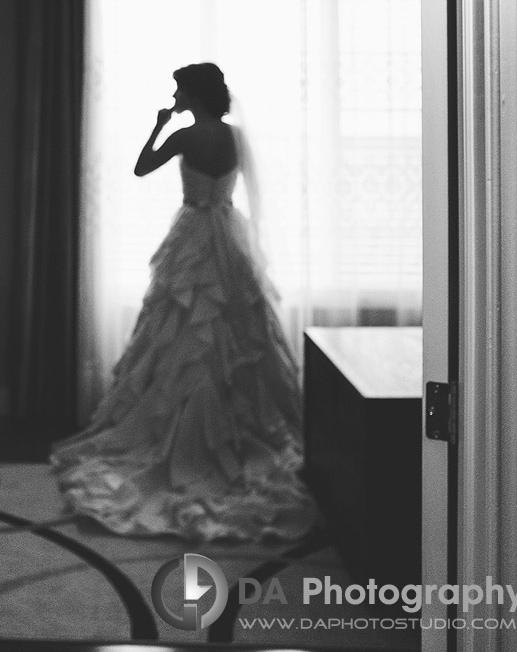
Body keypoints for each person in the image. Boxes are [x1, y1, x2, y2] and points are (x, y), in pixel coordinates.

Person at [49, 63, 317, 542]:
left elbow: (140, 166)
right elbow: (252, 190)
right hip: (230, 234)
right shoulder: (235, 137)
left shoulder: (186, 137)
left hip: (193, 231)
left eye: (179, 88)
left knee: (185, 326)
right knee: (235, 331)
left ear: (192, 93)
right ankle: (233, 431)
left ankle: (186, 437)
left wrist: (159, 124)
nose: (175, 94)